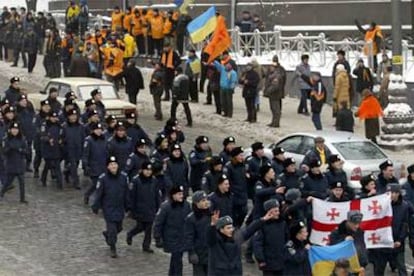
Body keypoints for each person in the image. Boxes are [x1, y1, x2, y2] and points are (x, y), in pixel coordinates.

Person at [206, 207, 274, 275]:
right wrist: (212, 224)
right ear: (221, 229)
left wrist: (263, 219)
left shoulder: (236, 238)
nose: (231, 230)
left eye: (231, 227)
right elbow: (210, 237)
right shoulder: (215, 241)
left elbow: (249, 230)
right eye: (228, 228)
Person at [370, 184, 412, 275]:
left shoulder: (404, 206)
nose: (391, 195)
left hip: (397, 242)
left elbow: (405, 224)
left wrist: (400, 240)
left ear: (398, 193)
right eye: (389, 193)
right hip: (383, 243)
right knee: (379, 269)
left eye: (394, 192)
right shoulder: (381, 204)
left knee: (401, 267)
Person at [91, 156, 129, 258]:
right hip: (108, 208)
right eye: (111, 165)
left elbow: (126, 193)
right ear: (107, 166)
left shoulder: (123, 177)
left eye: (115, 164)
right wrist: (95, 206)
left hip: (119, 207)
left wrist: (128, 205)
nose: (113, 166)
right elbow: (99, 193)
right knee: (112, 229)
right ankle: (113, 247)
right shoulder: (103, 178)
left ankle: (108, 235)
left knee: (119, 228)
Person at [153, 185, 191, 276]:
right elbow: (158, 223)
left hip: (182, 237)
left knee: (176, 258)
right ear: (173, 195)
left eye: (182, 194)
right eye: (179, 194)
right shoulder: (166, 206)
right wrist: (157, 237)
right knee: (177, 259)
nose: (181, 196)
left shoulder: (186, 205)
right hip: (171, 238)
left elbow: (190, 220)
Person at [127, 161, 160, 253]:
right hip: (139, 208)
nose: (148, 172)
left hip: (150, 208)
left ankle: (146, 246)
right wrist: (131, 208)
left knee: (149, 228)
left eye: (150, 170)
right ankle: (130, 234)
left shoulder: (154, 180)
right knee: (140, 226)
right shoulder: (136, 180)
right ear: (142, 170)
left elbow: (157, 194)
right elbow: (132, 196)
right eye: (146, 170)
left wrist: (158, 206)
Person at [253, 199, 288, 275]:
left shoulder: (283, 223)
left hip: (281, 261)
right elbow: (257, 244)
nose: (277, 213)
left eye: (278, 211)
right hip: (268, 263)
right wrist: (260, 259)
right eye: (275, 211)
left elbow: (287, 239)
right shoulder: (262, 225)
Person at [184, 191, 211, 276]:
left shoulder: (211, 215)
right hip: (199, 254)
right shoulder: (191, 219)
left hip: (210, 253)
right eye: (203, 200)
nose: (206, 202)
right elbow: (189, 237)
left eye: (206, 200)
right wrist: (191, 252)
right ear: (196, 203)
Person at [0, 122, 27, 203]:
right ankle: (1, 193)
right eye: (13, 129)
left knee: (22, 183)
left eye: (16, 129)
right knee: (8, 183)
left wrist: (21, 150)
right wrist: (9, 149)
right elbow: (4, 151)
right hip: (11, 165)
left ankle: (22, 199)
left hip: (20, 164)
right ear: (10, 130)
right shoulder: (7, 139)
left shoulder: (22, 139)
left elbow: (26, 151)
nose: (15, 131)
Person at [82, 123, 108, 205]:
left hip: (103, 165)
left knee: (98, 184)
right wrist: (86, 165)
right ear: (93, 130)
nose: (99, 131)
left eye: (100, 130)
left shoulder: (104, 139)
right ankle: (99, 202)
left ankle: (88, 194)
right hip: (94, 166)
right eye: (97, 130)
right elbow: (85, 154)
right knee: (98, 184)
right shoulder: (89, 140)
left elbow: (107, 152)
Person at [224, 146, 248, 228]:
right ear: (235, 156)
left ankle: (238, 227)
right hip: (234, 195)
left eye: (242, 155)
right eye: (240, 155)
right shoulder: (229, 167)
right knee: (233, 215)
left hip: (243, 194)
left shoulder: (244, 165)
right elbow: (226, 181)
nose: (242, 157)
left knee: (244, 212)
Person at [61, 109, 85, 190]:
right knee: (74, 166)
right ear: (68, 117)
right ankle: (76, 182)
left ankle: (67, 172)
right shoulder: (64, 126)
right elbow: (61, 138)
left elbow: (83, 137)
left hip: (78, 149)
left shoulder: (81, 126)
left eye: (75, 116)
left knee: (75, 164)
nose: (74, 118)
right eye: (72, 116)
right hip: (69, 149)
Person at [40, 112, 63, 189]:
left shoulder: (58, 125)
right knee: (47, 165)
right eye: (52, 117)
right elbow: (42, 136)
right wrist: (48, 139)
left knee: (57, 166)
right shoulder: (45, 125)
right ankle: (43, 179)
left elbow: (62, 134)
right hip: (48, 149)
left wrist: (61, 140)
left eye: (55, 117)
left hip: (56, 148)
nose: (54, 119)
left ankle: (60, 183)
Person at [263, 56, 286, 128]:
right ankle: (274, 122)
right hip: (273, 93)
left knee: (276, 109)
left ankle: (276, 123)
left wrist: (267, 91)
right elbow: (266, 77)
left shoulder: (279, 71)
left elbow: (277, 84)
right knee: (273, 108)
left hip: (276, 93)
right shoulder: (272, 70)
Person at [15, 94, 35, 171]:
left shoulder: (28, 110)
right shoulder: (16, 111)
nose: (24, 102)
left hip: (29, 134)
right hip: (19, 134)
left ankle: (27, 164)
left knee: (28, 150)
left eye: (25, 101)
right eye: (22, 101)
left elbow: (31, 122)